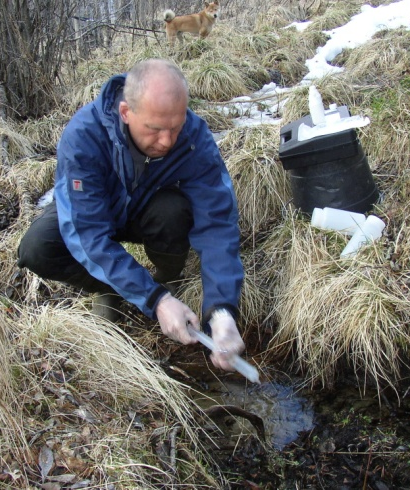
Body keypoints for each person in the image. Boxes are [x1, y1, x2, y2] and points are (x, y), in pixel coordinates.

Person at [17, 58, 245, 372]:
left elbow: (218, 222)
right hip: (91, 208)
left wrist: (222, 311)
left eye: (175, 128)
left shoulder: (193, 137)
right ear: (126, 112)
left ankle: (168, 279)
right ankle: (118, 290)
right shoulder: (84, 136)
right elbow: (87, 233)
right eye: (154, 129)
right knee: (37, 248)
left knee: (174, 211)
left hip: (146, 208)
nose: (167, 141)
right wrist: (155, 301)